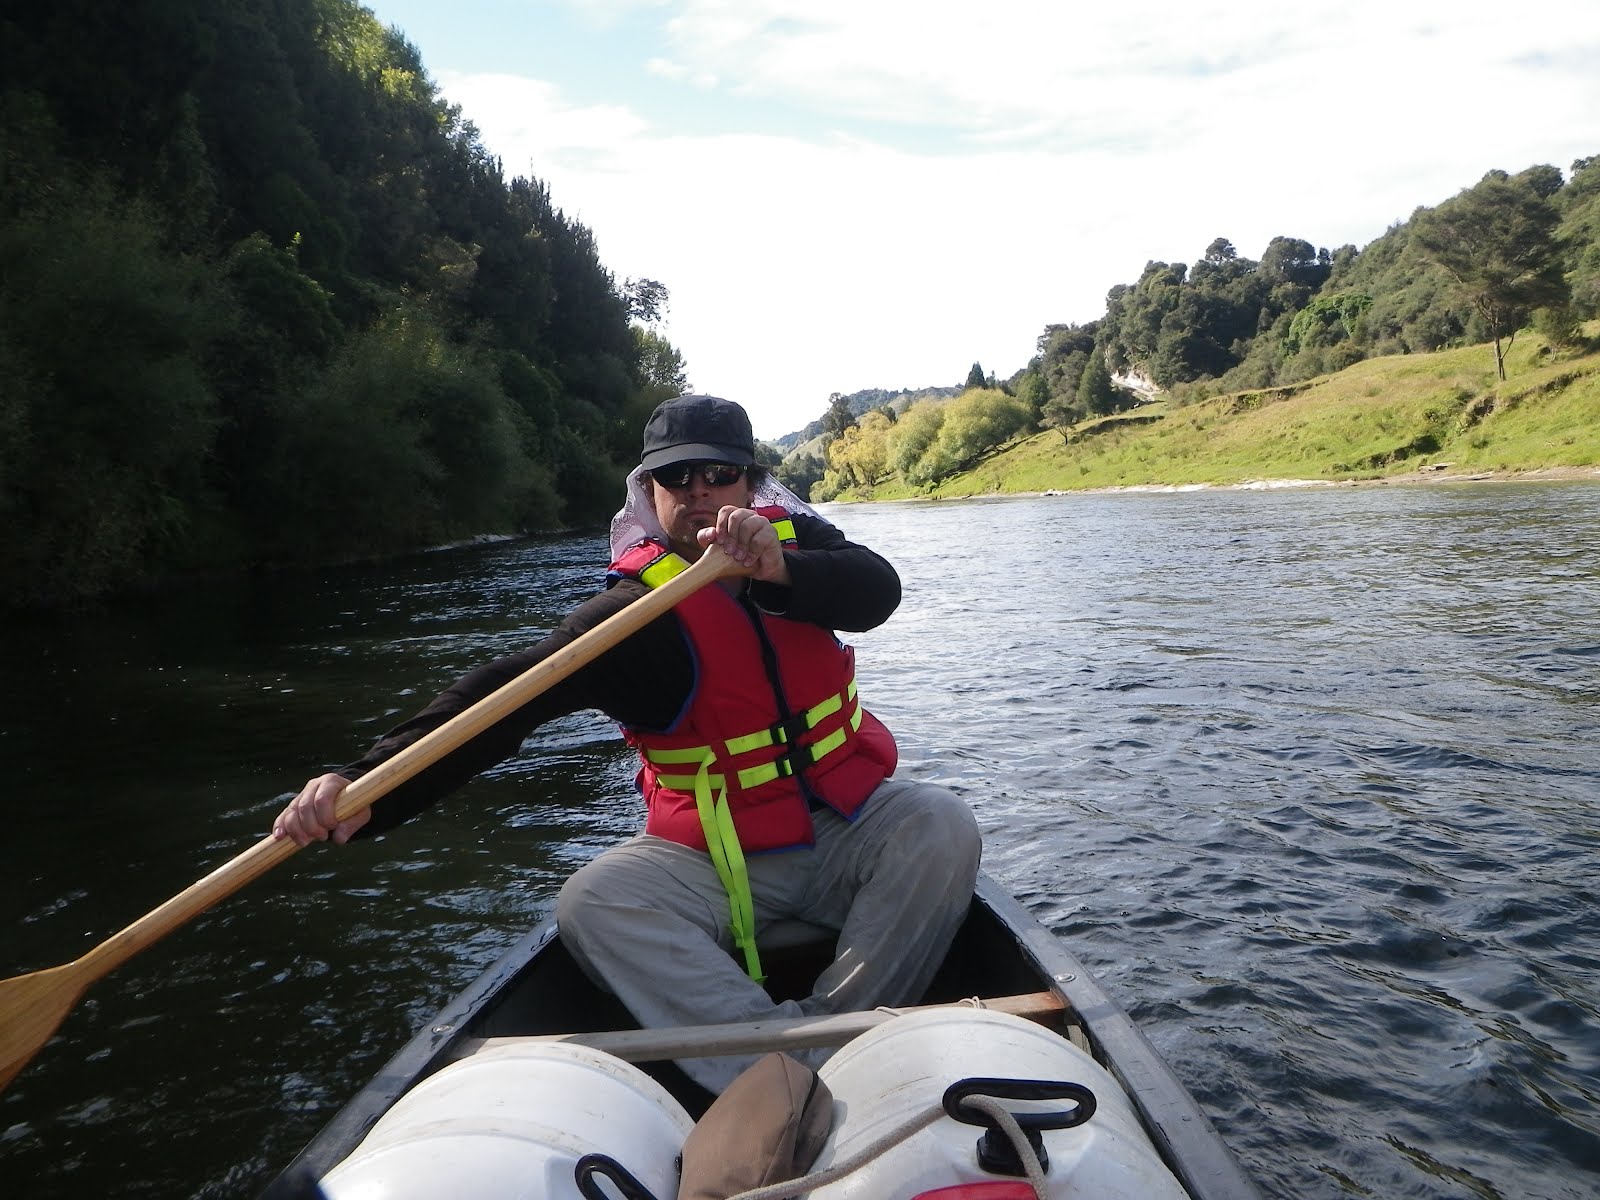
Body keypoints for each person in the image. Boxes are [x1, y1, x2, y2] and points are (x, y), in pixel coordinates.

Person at [272, 394, 981, 1092]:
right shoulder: (628, 622)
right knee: (593, 900)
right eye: (676, 478)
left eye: (718, 474)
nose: (698, 491)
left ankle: (827, 1034)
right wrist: (366, 786)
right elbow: (497, 702)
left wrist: (778, 571)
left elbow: (877, 591)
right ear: (648, 492)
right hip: (717, 865)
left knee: (940, 822)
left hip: (845, 830)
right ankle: (782, 1071)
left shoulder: (803, 553)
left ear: (752, 484)